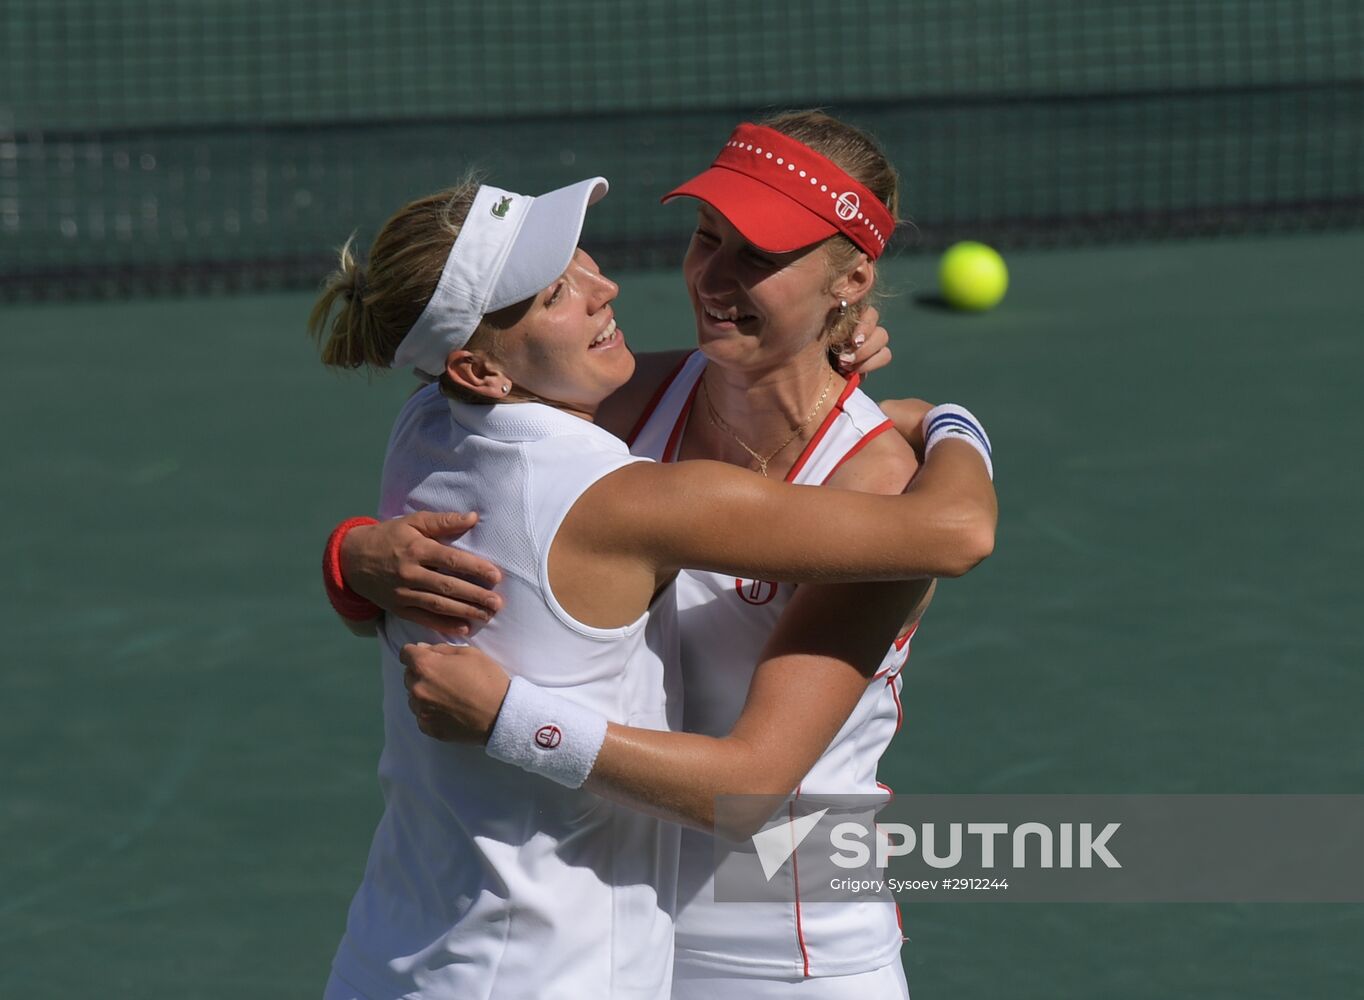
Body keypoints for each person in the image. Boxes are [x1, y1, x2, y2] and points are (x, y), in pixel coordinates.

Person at [313, 167, 995, 1000]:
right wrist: (949, 423)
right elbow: (959, 530)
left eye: (762, 255)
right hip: (559, 965)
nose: (606, 288)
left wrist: (349, 560)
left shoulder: (426, 422)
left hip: (766, 947)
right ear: (479, 371)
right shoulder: (627, 483)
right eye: (709, 238)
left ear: (851, 280)